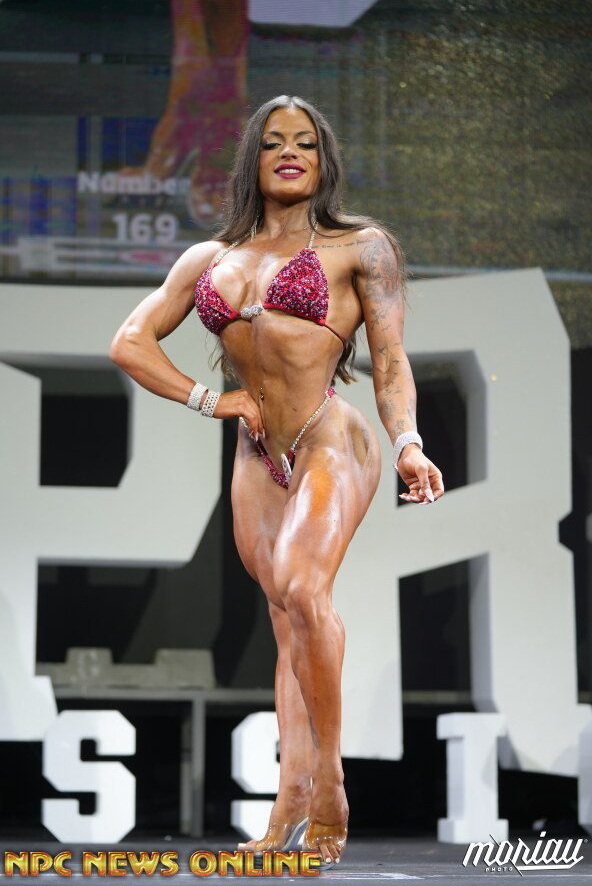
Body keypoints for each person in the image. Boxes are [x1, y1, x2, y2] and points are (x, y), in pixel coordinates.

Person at [109, 95, 444, 865]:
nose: (289, 152)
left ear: (324, 161)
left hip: (332, 437)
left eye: (305, 142)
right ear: (251, 161)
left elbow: (390, 361)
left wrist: (408, 444)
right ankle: (289, 793)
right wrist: (211, 398)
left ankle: (330, 785)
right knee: (287, 621)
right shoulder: (208, 259)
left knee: (301, 585)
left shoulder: (362, 248)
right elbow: (129, 343)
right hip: (257, 455)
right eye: (272, 142)